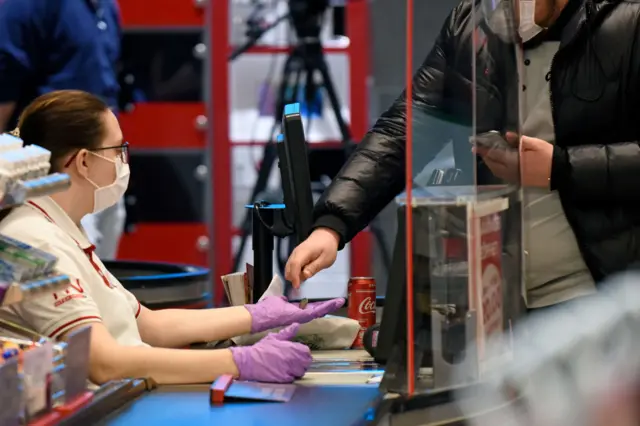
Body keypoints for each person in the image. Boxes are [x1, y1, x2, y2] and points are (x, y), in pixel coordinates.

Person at [286, 0, 640, 310]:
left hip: (598, 296)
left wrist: (559, 168)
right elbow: (406, 127)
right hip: (496, 300)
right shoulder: (472, 23)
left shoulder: (628, 20)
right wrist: (331, 226)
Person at [0, 90, 345, 384]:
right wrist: (238, 363)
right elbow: (104, 363)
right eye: (117, 151)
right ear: (84, 163)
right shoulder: (33, 242)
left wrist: (257, 315)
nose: (123, 162)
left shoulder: (59, 226)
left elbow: (149, 325)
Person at [0, 0, 126, 260]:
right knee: (62, 270)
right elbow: (4, 80)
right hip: (50, 165)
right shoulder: (28, 5)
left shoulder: (106, 7)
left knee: (101, 273)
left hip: (101, 160)